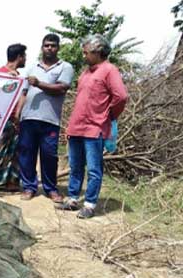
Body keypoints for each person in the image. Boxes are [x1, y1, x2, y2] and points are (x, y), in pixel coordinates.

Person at [57, 34, 128, 219]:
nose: (84, 56)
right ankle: (72, 199)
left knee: (94, 169)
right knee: (75, 166)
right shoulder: (86, 73)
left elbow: (121, 96)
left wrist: (109, 115)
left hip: (94, 128)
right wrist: (70, 126)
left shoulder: (109, 70)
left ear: (98, 52)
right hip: (76, 127)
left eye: (86, 52)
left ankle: (89, 204)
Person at [18, 34, 74, 203]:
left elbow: (62, 88)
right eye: (46, 45)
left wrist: (39, 83)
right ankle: (29, 186)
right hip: (28, 117)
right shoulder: (32, 67)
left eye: (53, 45)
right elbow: (24, 92)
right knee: (27, 153)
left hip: (50, 120)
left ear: (58, 48)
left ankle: (51, 188)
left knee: (49, 155)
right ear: (42, 47)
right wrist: (17, 112)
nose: (49, 48)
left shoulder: (65, 67)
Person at [0, 43, 27, 192]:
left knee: (13, 151)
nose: (25, 59)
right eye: (24, 56)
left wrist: (18, 115)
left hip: (15, 120)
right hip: (1, 120)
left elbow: (23, 95)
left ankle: (11, 182)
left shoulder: (20, 77)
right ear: (19, 57)